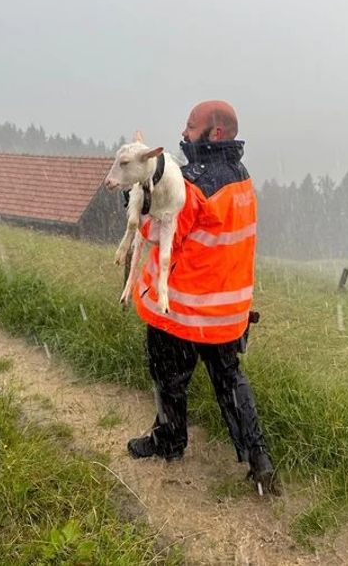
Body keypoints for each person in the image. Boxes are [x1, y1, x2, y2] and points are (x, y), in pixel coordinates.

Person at [126, 99, 278, 495]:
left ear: (216, 133)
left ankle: (170, 442)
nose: (183, 132)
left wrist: (135, 202)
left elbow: (156, 236)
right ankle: (259, 459)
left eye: (191, 127)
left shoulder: (190, 183)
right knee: (230, 381)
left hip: (181, 310)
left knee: (169, 380)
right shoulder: (241, 178)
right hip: (227, 313)